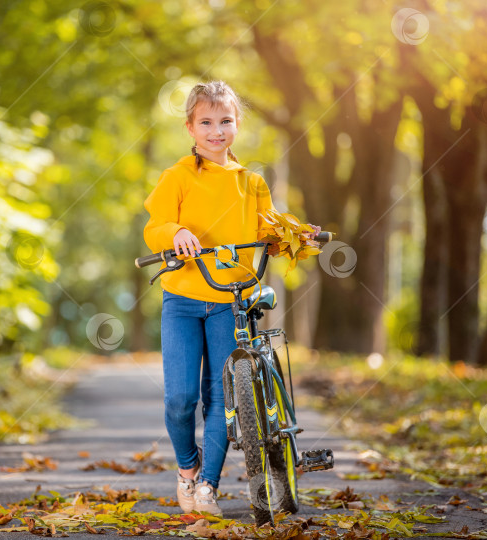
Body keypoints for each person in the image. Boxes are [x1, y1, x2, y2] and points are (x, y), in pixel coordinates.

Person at [142, 81, 281, 516]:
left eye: (225, 121)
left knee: (224, 398)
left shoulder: (251, 182)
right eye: (206, 122)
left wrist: (291, 236)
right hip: (182, 299)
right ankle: (187, 467)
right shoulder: (178, 176)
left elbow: (269, 229)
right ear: (190, 127)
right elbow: (156, 225)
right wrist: (176, 233)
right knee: (181, 399)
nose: (216, 130)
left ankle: (207, 487)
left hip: (229, 301)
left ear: (237, 125)